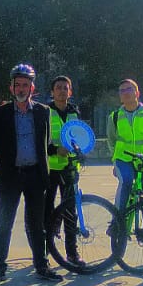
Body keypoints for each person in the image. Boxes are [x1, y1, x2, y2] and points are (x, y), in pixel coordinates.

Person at [0, 63, 61, 284]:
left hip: (35, 176)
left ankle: (41, 265)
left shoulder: (43, 112)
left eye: (25, 85)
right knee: (5, 222)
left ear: (32, 88)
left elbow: (45, 142)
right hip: (10, 176)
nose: (21, 89)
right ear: (11, 88)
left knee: (37, 224)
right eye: (17, 85)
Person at [109, 79, 143, 239]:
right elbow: (111, 141)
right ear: (120, 96)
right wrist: (115, 162)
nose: (125, 93)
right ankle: (116, 221)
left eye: (129, 89)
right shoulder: (114, 117)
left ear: (137, 93)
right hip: (124, 160)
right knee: (126, 181)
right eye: (122, 91)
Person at [43, 75, 85, 267]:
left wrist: (81, 150)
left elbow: (79, 137)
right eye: (58, 87)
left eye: (65, 88)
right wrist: (54, 150)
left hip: (69, 168)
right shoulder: (45, 112)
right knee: (47, 210)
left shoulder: (74, 112)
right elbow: (40, 141)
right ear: (52, 92)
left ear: (70, 91)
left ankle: (72, 253)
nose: (61, 91)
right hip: (50, 168)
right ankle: (45, 252)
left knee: (70, 211)